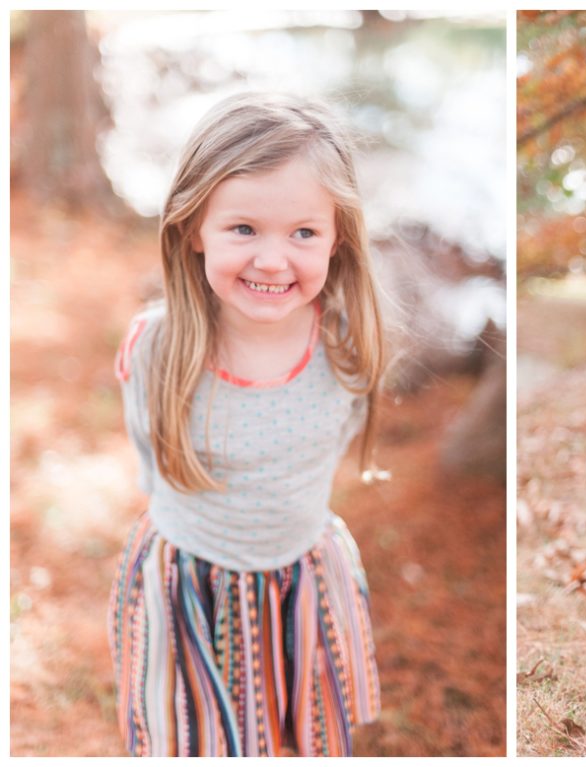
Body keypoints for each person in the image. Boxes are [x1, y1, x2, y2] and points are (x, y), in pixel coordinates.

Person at [107, 93, 386, 757]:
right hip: (189, 580)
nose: (272, 260)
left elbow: (331, 440)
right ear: (193, 226)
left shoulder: (346, 346)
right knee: (196, 736)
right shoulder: (157, 345)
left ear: (337, 236)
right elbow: (149, 449)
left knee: (298, 731)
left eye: (303, 233)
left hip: (302, 573)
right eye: (243, 229)